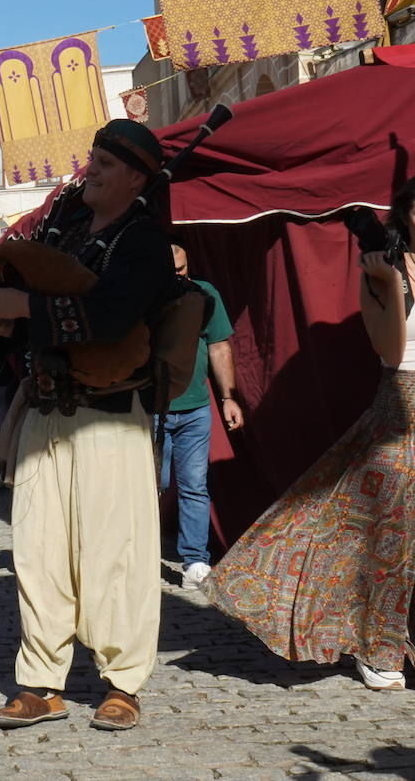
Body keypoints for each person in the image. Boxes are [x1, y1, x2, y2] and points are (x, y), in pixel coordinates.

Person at [205, 170, 415, 692]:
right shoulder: (384, 269)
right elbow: (391, 352)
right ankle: (378, 651)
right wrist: (387, 282)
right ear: (405, 217)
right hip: (401, 406)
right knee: (390, 536)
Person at [0, 119, 175, 732]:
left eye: (106, 165)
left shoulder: (143, 241)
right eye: (91, 159)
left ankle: (123, 683)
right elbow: (35, 287)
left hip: (110, 418)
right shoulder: (63, 229)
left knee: (116, 550)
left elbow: (115, 317)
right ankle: (41, 684)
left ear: (136, 178)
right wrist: (2, 314)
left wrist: (28, 310)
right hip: (44, 411)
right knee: (38, 552)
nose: (90, 170)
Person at [160, 242, 243, 590]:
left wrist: (227, 397)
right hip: (151, 409)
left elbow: (219, 344)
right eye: (172, 272)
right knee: (153, 485)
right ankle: (137, 556)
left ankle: (195, 561)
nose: (179, 277)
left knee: (195, 485)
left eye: (183, 270)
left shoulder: (204, 293)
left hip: (194, 407)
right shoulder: (143, 296)